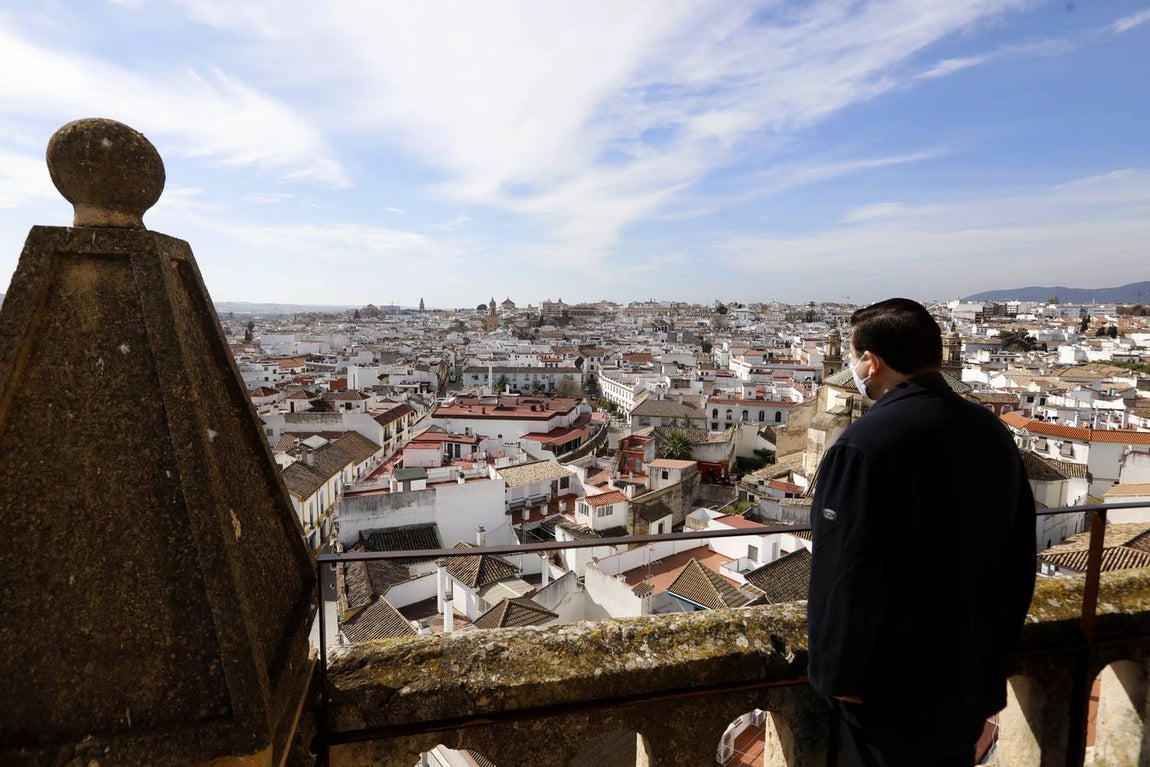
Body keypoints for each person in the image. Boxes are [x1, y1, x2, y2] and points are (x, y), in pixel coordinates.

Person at [807, 298, 1036, 767]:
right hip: (969, 680)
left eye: (854, 357)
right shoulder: (992, 433)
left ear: (871, 361)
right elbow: (1019, 553)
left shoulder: (863, 445)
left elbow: (845, 571)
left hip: (889, 691)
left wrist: (836, 675)